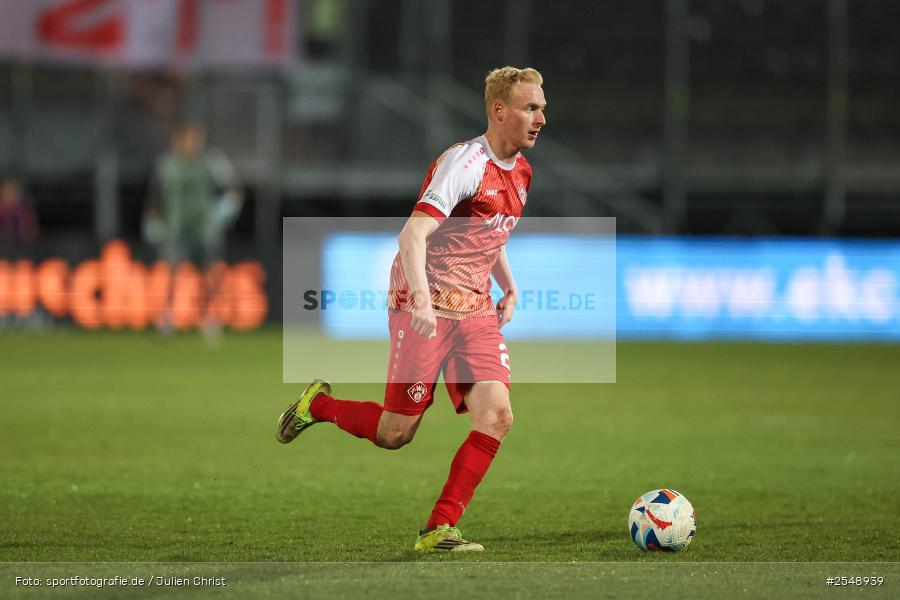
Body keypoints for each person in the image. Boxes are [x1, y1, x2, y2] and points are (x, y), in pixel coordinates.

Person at [277, 66, 547, 552]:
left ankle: (439, 527)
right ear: (499, 110)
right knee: (396, 433)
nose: (541, 118)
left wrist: (509, 286)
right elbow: (412, 235)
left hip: (474, 308)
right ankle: (316, 405)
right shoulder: (464, 164)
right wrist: (421, 299)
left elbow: (490, 234)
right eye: (531, 108)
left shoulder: (522, 172)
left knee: (497, 415)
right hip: (423, 302)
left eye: (542, 108)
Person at [144, 122, 242, 333]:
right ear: (178, 140)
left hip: (205, 227)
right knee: (171, 272)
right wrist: (152, 220)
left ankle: (207, 315)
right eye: (188, 139)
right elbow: (155, 196)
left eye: (196, 140)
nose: (192, 144)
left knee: (209, 273)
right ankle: (167, 315)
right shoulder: (166, 165)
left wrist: (225, 209)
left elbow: (233, 189)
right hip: (175, 227)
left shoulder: (212, 161)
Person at [0, 176, 39, 245]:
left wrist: (29, 236)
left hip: (21, 243)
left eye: (13, 192)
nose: (10, 195)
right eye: (7, 191)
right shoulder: (2, 209)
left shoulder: (24, 208)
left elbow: (31, 226)